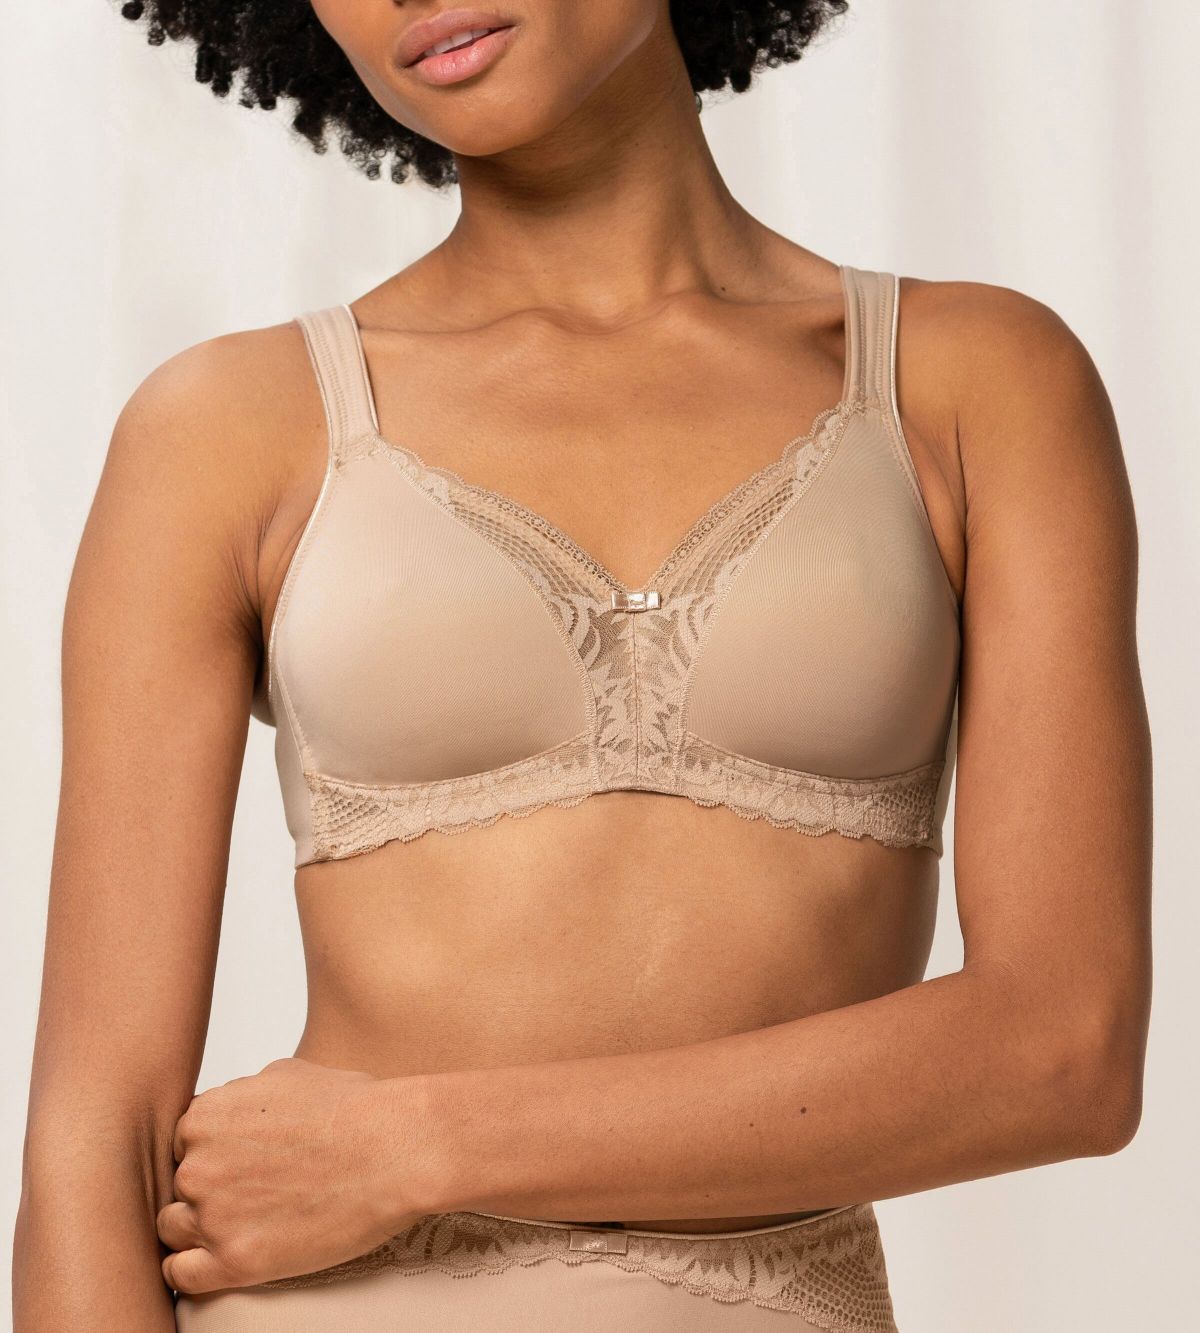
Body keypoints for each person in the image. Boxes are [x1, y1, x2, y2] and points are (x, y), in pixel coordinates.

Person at [13, 2, 1153, 1330]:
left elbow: (1063, 1052)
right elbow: (93, 1136)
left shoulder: (974, 383)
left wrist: (420, 1147)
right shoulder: (227, 427)